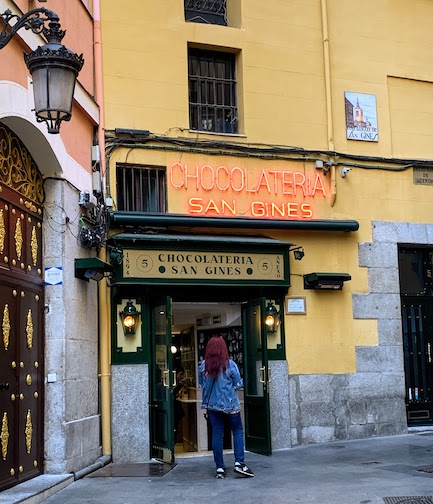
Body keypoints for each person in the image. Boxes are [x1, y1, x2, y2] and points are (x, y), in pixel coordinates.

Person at [199, 335, 254, 479]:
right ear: (224, 348)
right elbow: (238, 384)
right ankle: (239, 463)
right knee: (237, 431)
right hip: (230, 405)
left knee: (217, 434)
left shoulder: (203, 366)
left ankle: (220, 468)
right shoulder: (230, 365)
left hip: (212, 406)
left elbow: (201, 385)